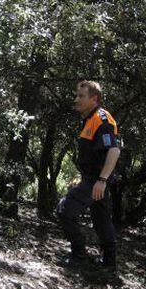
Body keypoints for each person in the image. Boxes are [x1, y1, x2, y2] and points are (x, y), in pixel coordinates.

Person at [57, 80, 121, 272]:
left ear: (94, 99)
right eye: (76, 95)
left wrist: (101, 181)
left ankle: (79, 257)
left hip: (98, 180)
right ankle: (109, 263)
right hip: (93, 179)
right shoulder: (88, 118)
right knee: (101, 218)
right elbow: (93, 154)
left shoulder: (102, 120)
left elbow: (114, 151)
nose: (76, 99)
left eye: (81, 96)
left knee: (64, 210)